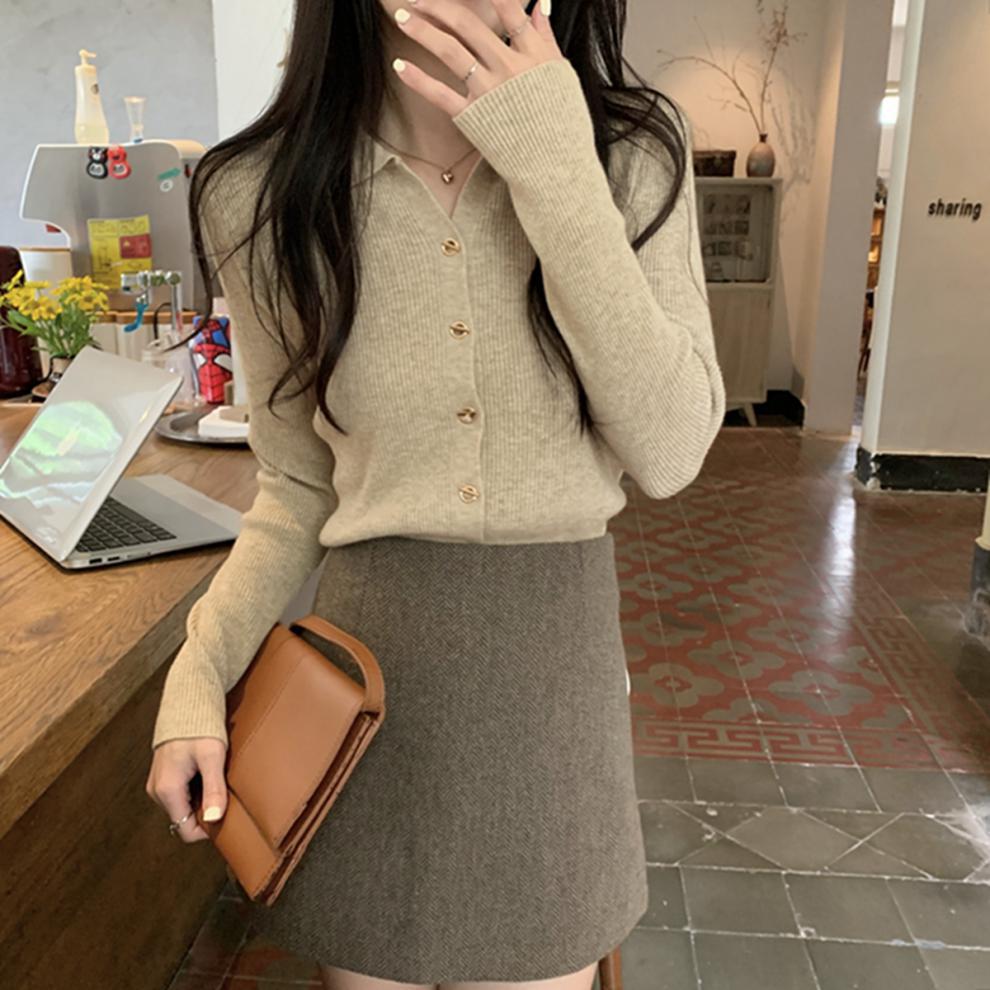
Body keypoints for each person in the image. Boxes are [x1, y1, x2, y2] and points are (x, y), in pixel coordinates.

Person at [145, 1, 726, 988]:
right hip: (370, 704)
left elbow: (671, 450)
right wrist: (198, 675)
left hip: (554, 693)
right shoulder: (258, 191)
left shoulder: (627, 151)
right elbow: (296, 485)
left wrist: (552, 161)